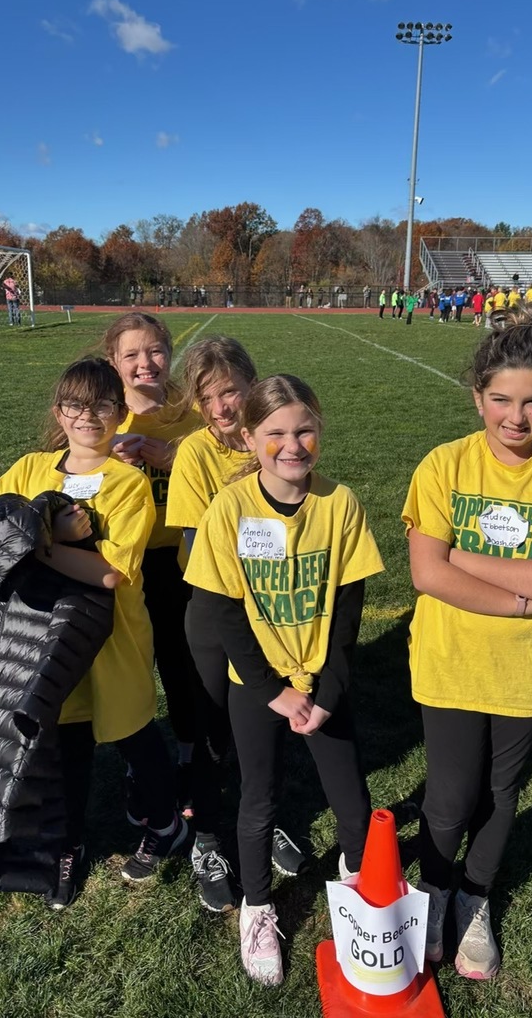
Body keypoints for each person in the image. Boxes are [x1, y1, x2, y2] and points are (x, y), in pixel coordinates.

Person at [402, 301, 532, 980]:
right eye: (500, 399)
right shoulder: (444, 465)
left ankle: (475, 895)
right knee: (452, 794)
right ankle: (431, 891)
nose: (515, 418)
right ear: (477, 396)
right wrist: (525, 595)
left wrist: (466, 558)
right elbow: (426, 573)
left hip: (526, 670)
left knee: (502, 788)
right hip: (451, 659)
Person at [185, 374, 384, 985]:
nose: (291, 445)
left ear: (320, 430)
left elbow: (349, 606)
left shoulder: (340, 503)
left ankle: (363, 906)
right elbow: (221, 609)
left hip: (322, 684)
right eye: (275, 433)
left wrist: (326, 691)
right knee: (259, 801)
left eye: (304, 430)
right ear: (249, 438)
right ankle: (258, 907)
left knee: (353, 805)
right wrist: (272, 688)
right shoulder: (232, 507)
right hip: (258, 685)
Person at [0, 357, 189, 908]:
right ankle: (67, 845)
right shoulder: (30, 469)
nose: (89, 415)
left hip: (114, 636)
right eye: (76, 405)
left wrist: (43, 544)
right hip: (43, 635)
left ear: (120, 412)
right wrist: (47, 532)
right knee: (65, 743)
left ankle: (165, 821)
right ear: (60, 412)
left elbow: (111, 572)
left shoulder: (127, 483)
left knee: (134, 732)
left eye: (103, 404)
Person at [167, 339, 308, 910]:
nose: (222, 407)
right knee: (209, 730)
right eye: (208, 397)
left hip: (276, 606)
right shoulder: (196, 455)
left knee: (261, 727)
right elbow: (197, 545)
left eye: (230, 391)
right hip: (216, 611)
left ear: (253, 383)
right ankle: (205, 837)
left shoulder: (275, 437)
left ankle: (262, 820)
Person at [104, 313, 203, 819]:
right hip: (125, 564)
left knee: (181, 662)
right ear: (114, 364)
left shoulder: (196, 415)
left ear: (171, 352)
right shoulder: (102, 421)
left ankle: (190, 751)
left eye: (156, 351)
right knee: (131, 667)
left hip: (183, 559)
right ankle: (137, 759)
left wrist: (177, 459)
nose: (146, 363)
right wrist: (106, 466)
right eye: (132, 355)